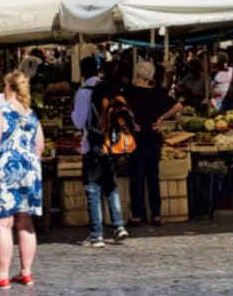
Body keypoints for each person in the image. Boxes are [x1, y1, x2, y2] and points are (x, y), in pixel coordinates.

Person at [0, 71, 44, 289]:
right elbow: (40, 146)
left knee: (3, 222)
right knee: (25, 222)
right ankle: (26, 273)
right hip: (30, 169)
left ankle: (3, 275)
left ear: (8, 87)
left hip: (6, 168)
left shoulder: (0, 109)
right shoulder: (31, 113)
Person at [70, 56, 129, 247]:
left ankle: (97, 235)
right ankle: (119, 226)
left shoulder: (83, 92)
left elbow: (79, 122)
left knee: (93, 188)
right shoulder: (108, 88)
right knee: (111, 186)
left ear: (82, 72)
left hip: (93, 145)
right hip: (111, 144)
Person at [126, 61, 183, 227]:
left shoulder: (130, 92)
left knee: (136, 178)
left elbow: (121, 107)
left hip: (136, 139)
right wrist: (162, 118)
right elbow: (178, 105)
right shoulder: (159, 93)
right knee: (152, 177)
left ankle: (137, 214)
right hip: (153, 139)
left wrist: (131, 121)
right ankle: (156, 214)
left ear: (138, 75)